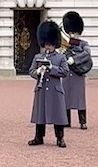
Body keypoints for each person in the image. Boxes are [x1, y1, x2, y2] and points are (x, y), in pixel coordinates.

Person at [28, 20, 71, 148]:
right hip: (41, 89)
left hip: (55, 89)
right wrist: (38, 71)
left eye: (50, 45)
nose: (47, 47)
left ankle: (60, 138)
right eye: (46, 45)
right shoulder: (38, 57)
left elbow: (65, 72)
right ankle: (38, 137)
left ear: (54, 44)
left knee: (58, 115)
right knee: (40, 115)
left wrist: (52, 68)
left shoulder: (61, 58)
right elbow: (31, 71)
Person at [63, 11, 92, 130]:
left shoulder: (83, 44)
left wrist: (74, 59)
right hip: (66, 74)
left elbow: (87, 54)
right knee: (66, 98)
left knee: (80, 99)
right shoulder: (65, 44)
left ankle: (82, 121)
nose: (73, 35)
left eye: (74, 32)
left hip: (78, 74)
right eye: (71, 32)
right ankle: (66, 120)